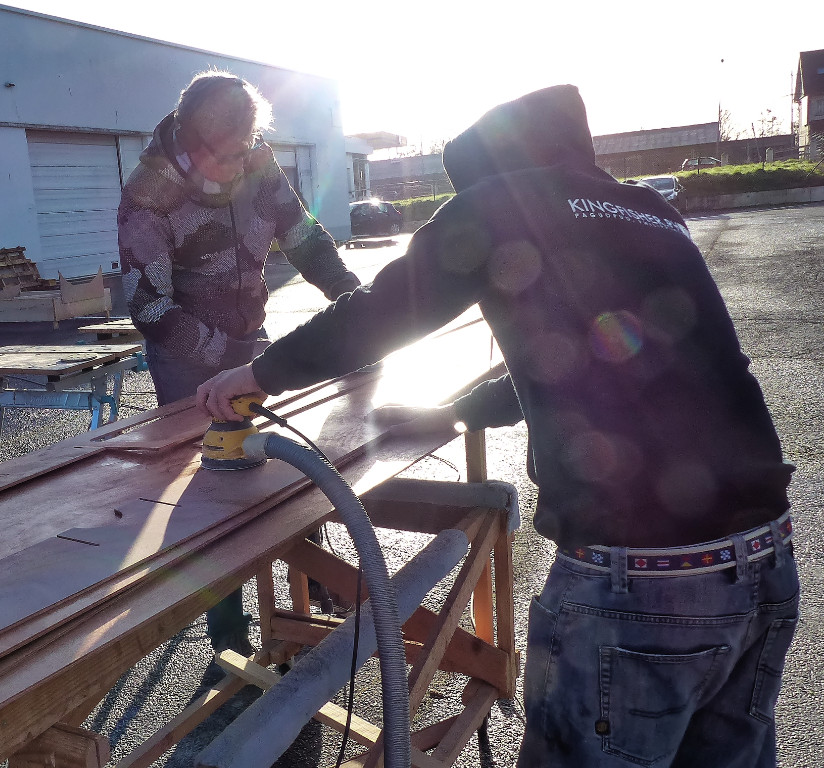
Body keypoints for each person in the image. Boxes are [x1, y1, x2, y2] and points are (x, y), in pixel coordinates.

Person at [196, 85, 800, 766]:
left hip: (643, 581)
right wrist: (456, 411)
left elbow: (383, 312)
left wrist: (255, 377)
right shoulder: (651, 211)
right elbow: (591, 358)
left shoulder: (498, 203)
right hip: (764, 561)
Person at [118, 71, 360, 656]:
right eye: (227, 157)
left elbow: (305, 239)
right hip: (185, 354)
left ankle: (316, 584)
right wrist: (229, 364)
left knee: (290, 459)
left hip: (250, 334)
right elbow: (149, 306)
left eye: (247, 149)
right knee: (212, 488)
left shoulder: (257, 162)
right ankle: (227, 638)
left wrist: (357, 310)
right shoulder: (149, 194)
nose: (239, 164)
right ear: (191, 147)